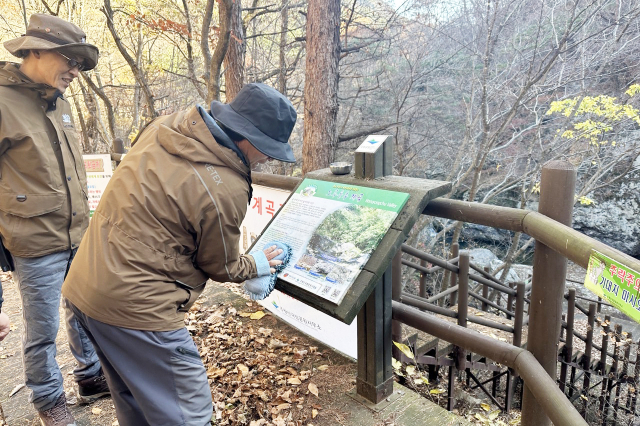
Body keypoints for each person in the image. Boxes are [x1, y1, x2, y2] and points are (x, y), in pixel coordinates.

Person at [62, 82, 297, 425]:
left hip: (86, 285)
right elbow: (221, 265)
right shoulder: (226, 188)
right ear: (250, 140)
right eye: (267, 150)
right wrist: (257, 263)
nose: (266, 159)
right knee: (188, 411)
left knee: (135, 399)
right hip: (138, 307)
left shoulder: (167, 126)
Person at [1, 14, 109, 426]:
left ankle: (90, 376)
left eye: (81, 63)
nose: (76, 71)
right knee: (41, 329)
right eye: (71, 60)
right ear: (37, 50)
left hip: (77, 233)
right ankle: (48, 401)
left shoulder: (60, 101)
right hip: (34, 241)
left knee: (83, 309)